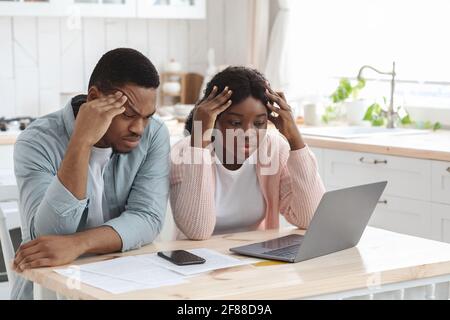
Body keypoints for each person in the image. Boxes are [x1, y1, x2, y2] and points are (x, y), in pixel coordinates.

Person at [12, 48, 170, 299]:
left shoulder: (154, 136)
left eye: (147, 117)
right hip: (51, 291)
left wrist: (79, 243)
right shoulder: (36, 140)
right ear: (94, 98)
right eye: (128, 114)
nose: (139, 129)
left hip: (123, 285)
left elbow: (147, 218)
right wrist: (81, 142)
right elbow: (48, 235)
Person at [170, 66, 325, 240]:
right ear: (213, 119)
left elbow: (310, 218)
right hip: (198, 261)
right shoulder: (184, 152)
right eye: (235, 123)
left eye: (259, 123)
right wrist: (199, 140)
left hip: (253, 257)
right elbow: (197, 231)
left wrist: (295, 139)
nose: (248, 134)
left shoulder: (274, 149)